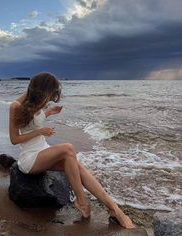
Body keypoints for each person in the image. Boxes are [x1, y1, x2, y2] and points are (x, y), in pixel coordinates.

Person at [9, 72, 135, 229]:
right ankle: (82, 201)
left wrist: (49, 113)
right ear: (42, 90)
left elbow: (33, 120)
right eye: (50, 94)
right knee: (68, 148)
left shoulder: (37, 104)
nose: (49, 98)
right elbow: (14, 139)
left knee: (77, 165)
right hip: (30, 159)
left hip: (43, 151)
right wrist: (40, 132)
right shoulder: (16, 106)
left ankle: (115, 209)